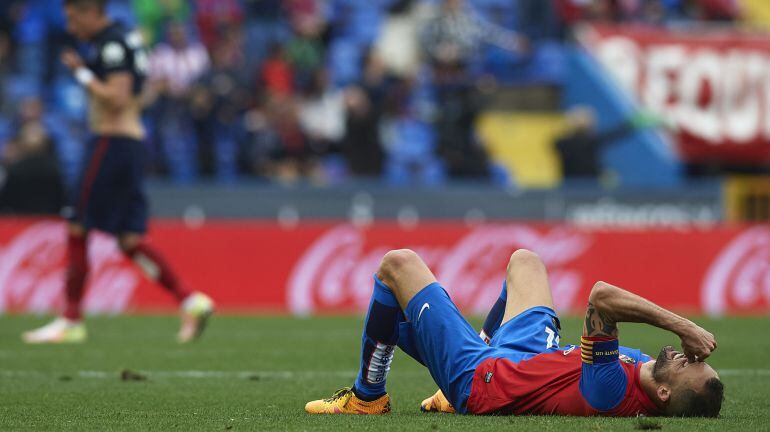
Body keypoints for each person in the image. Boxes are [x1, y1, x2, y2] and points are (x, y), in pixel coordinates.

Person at [305, 248, 724, 417]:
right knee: (526, 261)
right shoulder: (648, 372)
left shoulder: (612, 391)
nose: (694, 358)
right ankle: (464, 360)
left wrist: (684, 326)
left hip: (485, 381)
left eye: (694, 368)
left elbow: (601, 297)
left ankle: (367, 398)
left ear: (665, 395)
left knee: (397, 266)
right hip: (523, 355)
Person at [22, 0, 213, 344]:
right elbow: (143, 92)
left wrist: (81, 72)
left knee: (77, 223)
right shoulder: (128, 39)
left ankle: (70, 319)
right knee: (129, 240)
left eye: (73, 17)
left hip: (110, 142)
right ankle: (190, 299)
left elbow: (118, 97)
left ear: (90, 11)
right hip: (131, 145)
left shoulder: (110, 43)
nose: (70, 26)